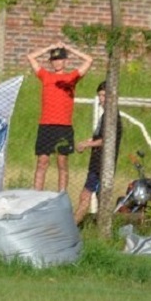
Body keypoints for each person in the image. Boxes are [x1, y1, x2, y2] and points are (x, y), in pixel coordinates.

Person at [26, 42, 94, 192]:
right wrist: (48, 48)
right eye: (54, 60)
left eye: (60, 59)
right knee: (42, 162)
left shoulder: (71, 77)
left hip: (63, 126)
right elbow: (30, 57)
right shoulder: (45, 76)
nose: (57, 62)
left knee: (62, 162)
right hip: (46, 125)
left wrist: (68, 48)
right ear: (51, 62)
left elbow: (89, 60)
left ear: (65, 61)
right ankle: (36, 194)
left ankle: (61, 194)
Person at [74, 82, 123, 224]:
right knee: (91, 195)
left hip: (102, 165)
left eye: (104, 95)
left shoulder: (113, 117)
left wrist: (87, 144)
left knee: (88, 196)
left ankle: (74, 225)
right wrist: (86, 141)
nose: (101, 99)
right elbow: (98, 137)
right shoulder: (105, 116)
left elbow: (107, 140)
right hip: (96, 163)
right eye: (99, 95)